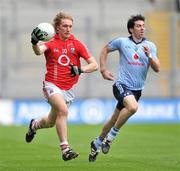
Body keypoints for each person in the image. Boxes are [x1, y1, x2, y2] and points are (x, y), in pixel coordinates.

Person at [25, 11, 98, 161]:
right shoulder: (51, 43)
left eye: (70, 26)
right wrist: (34, 42)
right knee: (63, 110)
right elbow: (38, 51)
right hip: (51, 84)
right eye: (65, 26)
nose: (68, 29)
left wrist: (81, 69)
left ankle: (34, 125)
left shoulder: (77, 44)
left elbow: (94, 65)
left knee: (51, 122)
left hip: (68, 90)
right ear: (57, 28)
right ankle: (65, 149)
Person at [88, 14, 160, 162]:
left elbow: (157, 68)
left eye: (143, 26)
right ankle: (110, 138)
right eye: (138, 26)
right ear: (131, 29)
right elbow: (105, 50)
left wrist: (150, 56)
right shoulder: (122, 42)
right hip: (121, 85)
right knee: (133, 107)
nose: (142, 28)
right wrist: (103, 69)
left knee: (114, 117)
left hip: (137, 90)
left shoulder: (150, 46)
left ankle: (96, 143)